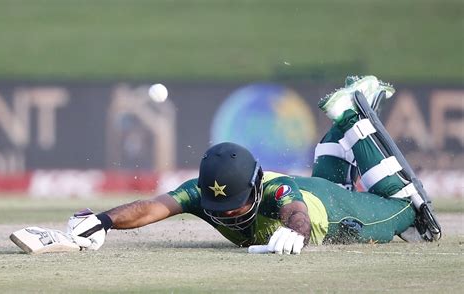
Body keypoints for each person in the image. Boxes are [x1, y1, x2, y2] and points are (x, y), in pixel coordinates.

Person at [68, 76, 440, 255]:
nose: (228, 215)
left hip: (340, 214)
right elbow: (154, 206)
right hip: (324, 192)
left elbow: (296, 211)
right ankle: (341, 125)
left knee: (405, 206)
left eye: (236, 206)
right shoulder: (204, 192)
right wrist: (103, 221)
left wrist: (297, 233)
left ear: (256, 185)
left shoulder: (277, 189)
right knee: (332, 163)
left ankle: (354, 118)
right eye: (221, 210)